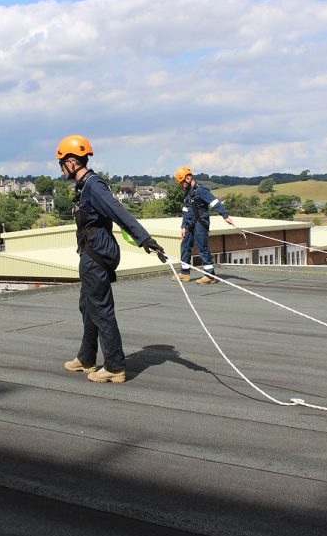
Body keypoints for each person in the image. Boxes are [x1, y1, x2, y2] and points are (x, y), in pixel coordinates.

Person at [57, 135, 164, 384]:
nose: (61, 169)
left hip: (97, 255)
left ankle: (115, 366)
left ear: (72, 162)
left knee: (101, 309)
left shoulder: (93, 186)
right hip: (92, 251)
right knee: (88, 305)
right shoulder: (84, 186)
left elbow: (118, 212)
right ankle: (86, 357)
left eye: (62, 163)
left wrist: (144, 238)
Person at [172, 166, 235, 284]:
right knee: (185, 245)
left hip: (201, 223)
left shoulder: (201, 190)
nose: (181, 185)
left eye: (182, 182)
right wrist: (183, 226)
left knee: (202, 248)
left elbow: (214, 203)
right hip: (190, 224)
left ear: (188, 178)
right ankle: (184, 273)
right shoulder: (187, 193)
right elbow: (186, 210)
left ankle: (210, 276)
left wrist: (225, 216)